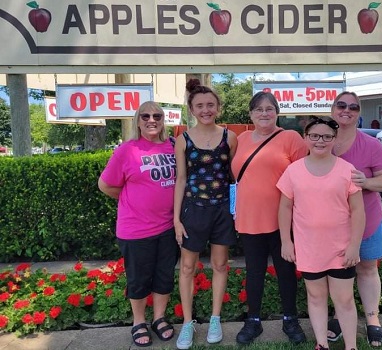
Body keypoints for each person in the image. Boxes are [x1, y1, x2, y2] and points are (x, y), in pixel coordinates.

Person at [277, 116, 365, 350]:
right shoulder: (293, 171)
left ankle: (351, 346)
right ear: (306, 138)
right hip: (309, 248)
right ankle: (322, 344)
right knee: (315, 297)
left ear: (334, 140)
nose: (320, 141)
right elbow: (285, 207)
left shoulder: (347, 170)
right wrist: (286, 241)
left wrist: (354, 245)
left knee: (344, 300)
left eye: (327, 136)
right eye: (314, 136)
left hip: (341, 248)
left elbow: (358, 210)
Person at [98, 101, 178, 348]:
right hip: (136, 229)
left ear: (164, 119)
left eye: (157, 115)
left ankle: (159, 318)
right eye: (146, 115)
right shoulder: (127, 150)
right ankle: (139, 322)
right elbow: (105, 185)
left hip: (168, 227)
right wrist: (128, 199)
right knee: (139, 278)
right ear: (138, 120)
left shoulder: (173, 146)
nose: (151, 120)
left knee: (164, 276)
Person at [231, 91, 309, 345]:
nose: (264, 113)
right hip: (249, 219)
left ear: (277, 112)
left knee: (286, 271)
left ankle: (290, 319)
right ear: (251, 114)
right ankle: (253, 320)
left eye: (269, 108)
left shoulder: (291, 138)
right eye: (258, 109)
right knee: (254, 272)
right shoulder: (241, 139)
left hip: (282, 221)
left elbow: (304, 178)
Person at [327, 91, 382, 348]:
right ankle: (338, 317)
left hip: (367, 221)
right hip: (329, 225)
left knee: (367, 269)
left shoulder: (370, 145)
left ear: (358, 113)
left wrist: (366, 182)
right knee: (337, 273)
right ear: (333, 109)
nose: (347, 110)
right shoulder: (321, 140)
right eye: (341, 105)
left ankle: (372, 319)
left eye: (353, 107)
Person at [174, 79, 238, 350]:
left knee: (220, 265)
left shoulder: (229, 137)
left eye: (210, 104)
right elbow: (180, 179)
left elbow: (233, 176)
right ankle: (188, 323)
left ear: (218, 107)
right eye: (200, 105)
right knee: (187, 268)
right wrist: (176, 219)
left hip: (222, 210)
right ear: (191, 108)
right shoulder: (183, 139)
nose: (206, 109)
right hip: (193, 210)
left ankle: (214, 319)